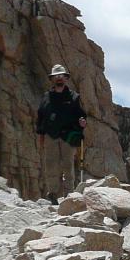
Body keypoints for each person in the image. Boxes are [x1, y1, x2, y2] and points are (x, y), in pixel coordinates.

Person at [36, 64, 87, 202]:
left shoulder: (74, 97)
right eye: (56, 76)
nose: (59, 78)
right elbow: (41, 117)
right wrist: (41, 136)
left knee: (68, 165)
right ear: (52, 79)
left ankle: (69, 194)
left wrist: (82, 122)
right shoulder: (46, 97)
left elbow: (80, 115)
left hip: (68, 137)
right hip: (50, 136)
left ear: (66, 78)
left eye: (61, 76)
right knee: (51, 165)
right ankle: (52, 194)